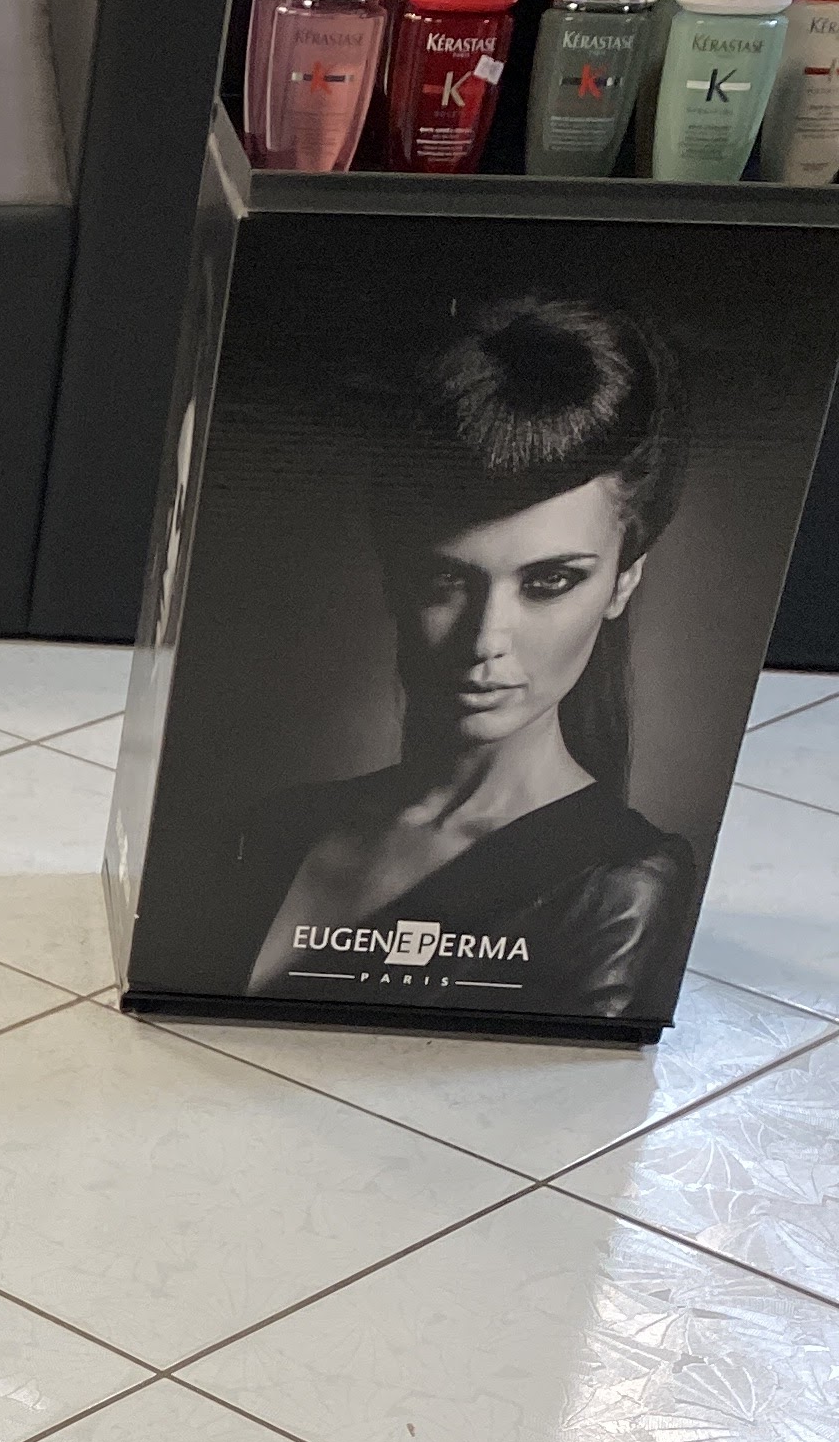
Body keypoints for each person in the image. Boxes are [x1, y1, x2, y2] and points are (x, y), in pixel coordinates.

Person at [206, 295, 701, 1020]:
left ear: (624, 580)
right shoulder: (281, 824)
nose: (485, 639)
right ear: (394, 573)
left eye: (549, 582)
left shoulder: (621, 886)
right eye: (446, 580)